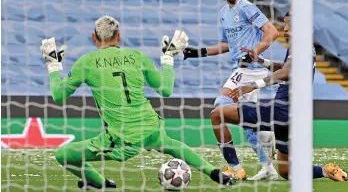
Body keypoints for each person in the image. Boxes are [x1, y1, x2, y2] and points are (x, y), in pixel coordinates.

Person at [40, 15, 236, 190]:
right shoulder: (137, 57)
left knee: (64, 155)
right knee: (172, 145)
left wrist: (53, 65)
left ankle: (100, 183)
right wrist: (168, 58)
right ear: (119, 36)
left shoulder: (87, 62)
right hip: (151, 126)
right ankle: (214, 173)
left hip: (122, 138)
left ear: (94, 38)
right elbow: (165, 91)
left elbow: (58, 96)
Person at [211, 12, 348, 182]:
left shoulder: (300, 46)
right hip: (293, 116)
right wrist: (261, 61)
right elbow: (284, 67)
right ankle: (327, 171)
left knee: (217, 115)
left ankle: (236, 169)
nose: (285, 29)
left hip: (281, 109)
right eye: (285, 24)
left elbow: (286, 72)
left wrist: (253, 84)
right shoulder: (302, 47)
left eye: (290, 25)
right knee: (286, 171)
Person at [183, 0, 279, 180]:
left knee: (219, 107)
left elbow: (272, 32)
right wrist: (198, 52)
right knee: (246, 122)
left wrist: (253, 53)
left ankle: (236, 168)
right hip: (240, 70)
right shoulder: (223, 13)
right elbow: (226, 45)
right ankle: (267, 163)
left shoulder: (247, 7)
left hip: (250, 70)